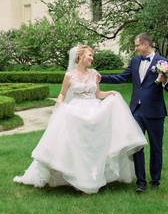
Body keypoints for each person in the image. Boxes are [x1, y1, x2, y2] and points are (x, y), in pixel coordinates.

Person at [14, 44, 147, 194]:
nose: (92, 58)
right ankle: (77, 176)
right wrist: (59, 101)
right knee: (77, 144)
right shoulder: (69, 76)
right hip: (77, 111)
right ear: (80, 57)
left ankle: (95, 175)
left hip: (94, 111)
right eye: (90, 55)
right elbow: (62, 94)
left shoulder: (94, 74)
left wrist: (112, 92)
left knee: (94, 145)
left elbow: (98, 95)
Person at [98, 32, 168, 193]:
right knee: (137, 145)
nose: (135, 48)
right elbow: (121, 77)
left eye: (137, 45)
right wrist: (100, 78)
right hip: (136, 111)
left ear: (146, 44)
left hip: (155, 111)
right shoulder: (134, 61)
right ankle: (141, 182)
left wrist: (164, 80)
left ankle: (155, 180)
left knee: (156, 147)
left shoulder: (163, 62)